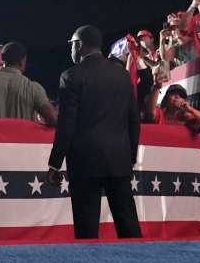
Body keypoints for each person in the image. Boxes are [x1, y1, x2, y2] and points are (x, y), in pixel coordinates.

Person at [47, 25, 142, 240]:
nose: (71, 49)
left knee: (87, 228)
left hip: (84, 161)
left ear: (79, 45)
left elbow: (66, 124)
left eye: (72, 44)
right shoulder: (122, 75)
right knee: (128, 225)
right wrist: (131, 157)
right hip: (119, 159)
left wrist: (55, 162)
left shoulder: (70, 76)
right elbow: (133, 120)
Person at [0, 42, 58, 125]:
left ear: (3, 59)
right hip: (21, 140)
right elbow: (53, 118)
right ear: (22, 61)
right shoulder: (33, 88)